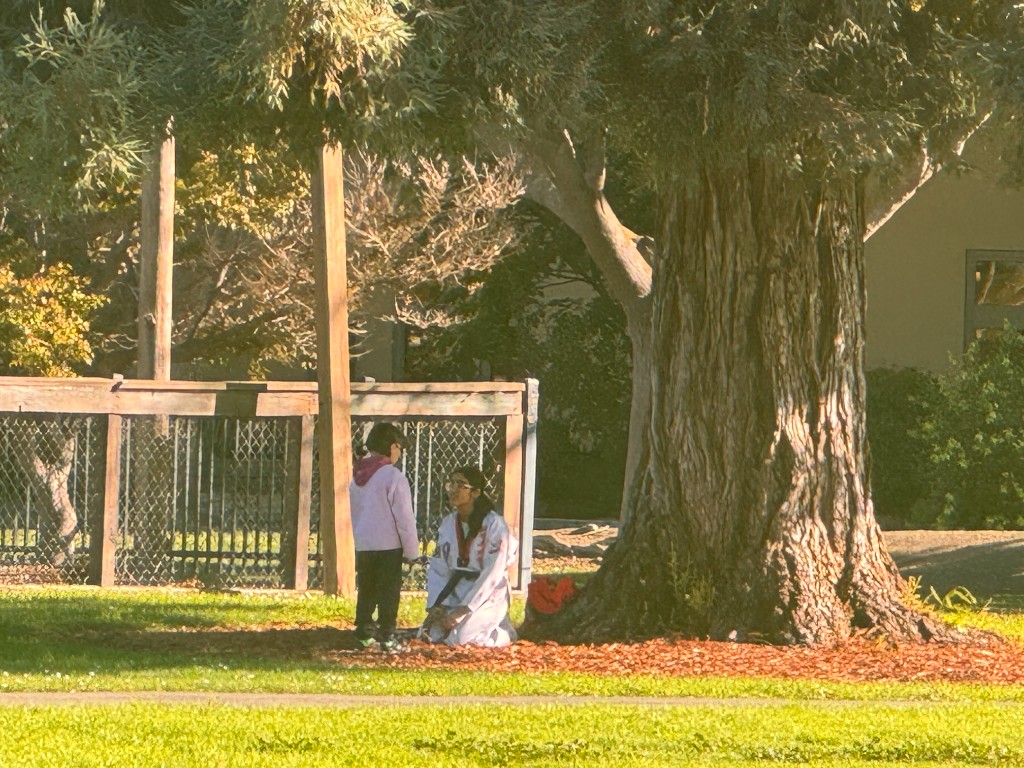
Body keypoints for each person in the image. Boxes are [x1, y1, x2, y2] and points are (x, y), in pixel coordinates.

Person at [421, 465, 518, 647]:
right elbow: (439, 566)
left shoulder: (494, 525)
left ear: (475, 492)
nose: (454, 490)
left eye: (461, 485)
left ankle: (503, 632)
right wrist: (438, 604)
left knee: (464, 639)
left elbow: (493, 573)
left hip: (488, 593)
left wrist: (465, 609)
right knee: (432, 635)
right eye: (452, 484)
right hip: (457, 587)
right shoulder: (449, 523)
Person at [349, 422, 419, 649]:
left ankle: (364, 632)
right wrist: (412, 551)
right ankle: (388, 635)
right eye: (399, 447)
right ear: (391, 446)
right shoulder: (393, 476)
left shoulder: (357, 476)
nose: (399, 453)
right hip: (389, 545)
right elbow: (404, 517)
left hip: (364, 544)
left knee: (367, 587)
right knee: (389, 590)